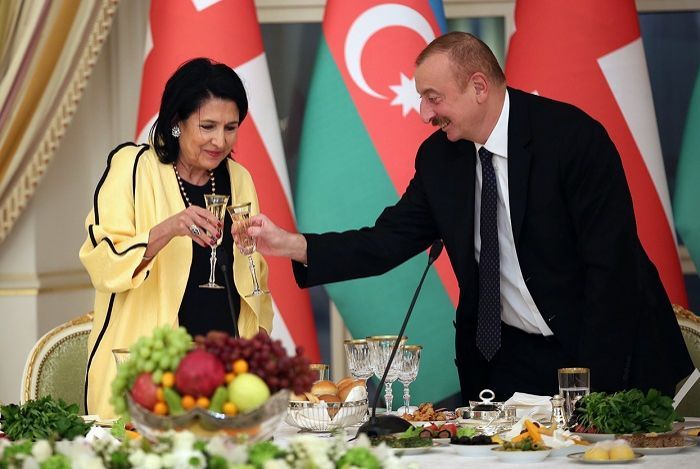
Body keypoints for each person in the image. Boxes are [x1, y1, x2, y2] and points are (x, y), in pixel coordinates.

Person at [244, 32, 692, 403]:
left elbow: (610, 269)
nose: (425, 114)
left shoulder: (571, 139)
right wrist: (292, 245)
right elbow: (387, 241)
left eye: (433, 98)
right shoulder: (441, 159)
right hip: (513, 363)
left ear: (478, 87)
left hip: (610, 355)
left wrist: (594, 392)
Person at [79, 58, 272, 418]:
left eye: (231, 128)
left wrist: (257, 338)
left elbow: (254, 271)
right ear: (177, 123)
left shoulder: (239, 178)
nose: (220, 141)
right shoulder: (133, 167)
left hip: (225, 380)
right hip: (145, 374)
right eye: (208, 126)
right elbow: (103, 263)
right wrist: (170, 228)